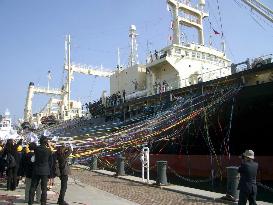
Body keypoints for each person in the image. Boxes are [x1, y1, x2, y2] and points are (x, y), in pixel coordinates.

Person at [28, 136, 52, 205]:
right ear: (46, 142)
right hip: (45, 170)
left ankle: (30, 202)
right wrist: (49, 145)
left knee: (33, 187)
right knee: (44, 189)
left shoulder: (36, 149)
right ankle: (43, 203)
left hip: (36, 169)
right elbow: (51, 161)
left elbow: (33, 146)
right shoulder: (48, 150)